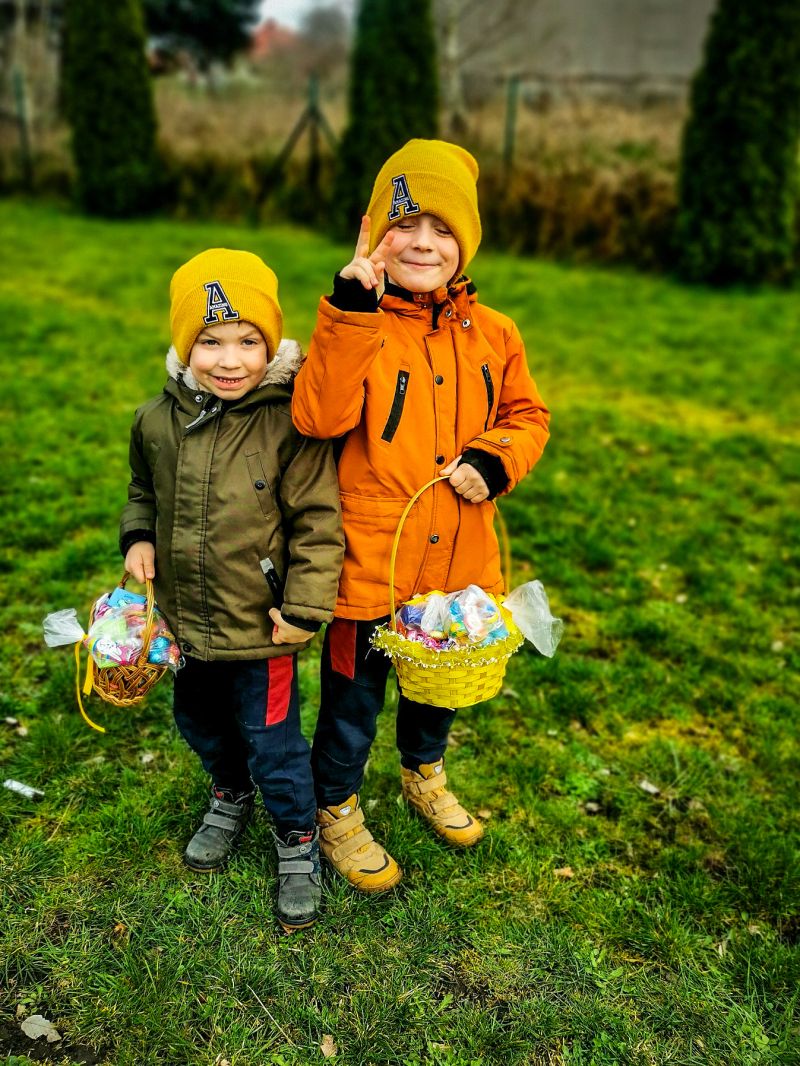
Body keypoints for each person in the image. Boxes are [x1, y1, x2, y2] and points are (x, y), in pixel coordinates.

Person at [292, 140, 550, 894]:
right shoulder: (355, 322)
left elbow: (527, 413)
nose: (424, 244)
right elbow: (317, 415)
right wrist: (349, 310)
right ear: (375, 233)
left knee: (438, 687)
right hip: (369, 560)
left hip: (458, 565)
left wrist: (496, 457)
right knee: (352, 700)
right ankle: (336, 806)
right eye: (406, 224)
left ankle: (424, 774)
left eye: (444, 230)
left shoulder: (494, 333)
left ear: (465, 244)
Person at [120, 248, 344, 931]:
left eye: (249, 341)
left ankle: (297, 840)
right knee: (200, 723)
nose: (229, 359)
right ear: (186, 346)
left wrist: (305, 608)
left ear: (270, 346)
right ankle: (228, 791)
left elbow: (318, 522)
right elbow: (140, 492)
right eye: (210, 341)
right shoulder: (156, 422)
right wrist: (138, 538)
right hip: (185, 621)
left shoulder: (289, 425)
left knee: (272, 740)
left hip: (262, 629)